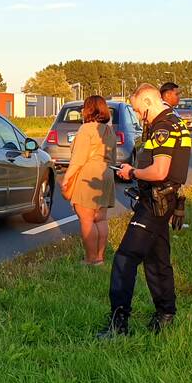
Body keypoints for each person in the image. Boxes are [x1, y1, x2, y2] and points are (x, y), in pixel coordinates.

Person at [99, 83, 191, 339]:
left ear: (149, 102)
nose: (140, 116)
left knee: (124, 259)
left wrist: (132, 172)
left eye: (140, 111)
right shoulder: (176, 121)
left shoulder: (162, 127)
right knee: (157, 260)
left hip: (155, 202)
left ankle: (119, 325)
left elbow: (160, 171)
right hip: (165, 199)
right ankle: (165, 316)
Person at [61, 95, 115, 265]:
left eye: (84, 108)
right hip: (106, 173)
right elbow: (113, 158)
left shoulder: (86, 129)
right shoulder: (109, 130)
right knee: (101, 219)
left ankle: (90, 259)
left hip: (88, 173)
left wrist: (66, 179)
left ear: (88, 110)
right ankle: (100, 257)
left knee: (87, 219)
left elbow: (78, 159)